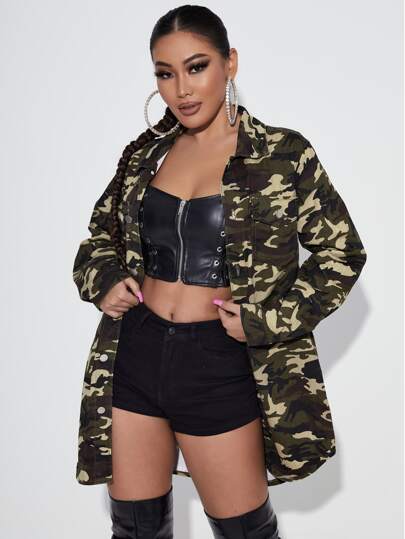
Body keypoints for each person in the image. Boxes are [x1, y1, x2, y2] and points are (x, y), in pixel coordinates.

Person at [72, 5, 367, 539]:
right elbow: (99, 237)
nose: (182, 89)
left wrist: (266, 320)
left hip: (220, 362)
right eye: (165, 73)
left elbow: (341, 254)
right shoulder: (146, 155)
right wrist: (106, 279)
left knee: (244, 532)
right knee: (134, 531)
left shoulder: (282, 154)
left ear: (230, 63)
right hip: (135, 351)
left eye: (197, 67)